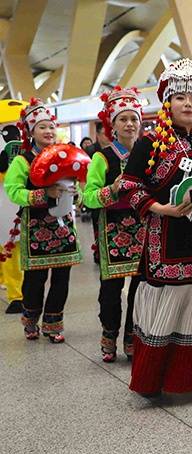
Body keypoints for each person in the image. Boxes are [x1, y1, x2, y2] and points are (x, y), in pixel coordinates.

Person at [117, 58, 192, 403]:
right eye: (182, 97)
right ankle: (158, 377)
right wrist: (159, 208)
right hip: (167, 240)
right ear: (168, 102)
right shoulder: (149, 143)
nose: (189, 104)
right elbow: (129, 187)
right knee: (170, 301)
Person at [4, 99, 82, 343]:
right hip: (36, 227)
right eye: (42, 127)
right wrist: (42, 194)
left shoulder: (65, 154)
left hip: (64, 226)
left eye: (51, 126)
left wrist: (76, 194)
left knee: (62, 278)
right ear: (31, 131)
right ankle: (30, 319)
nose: (48, 132)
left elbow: (77, 182)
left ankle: (52, 323)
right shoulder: (22, 161)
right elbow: (13, 190)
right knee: (34, 281)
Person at [83, 87, 145, 362]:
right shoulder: (101, 157)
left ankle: (133, 336)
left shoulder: (148, 153)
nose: (129, 124)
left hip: (143, 227)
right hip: (112, 230)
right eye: (123, 119)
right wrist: (113, 189)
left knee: (140, 288)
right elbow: (87, 196)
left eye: (134, 118)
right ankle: (109, 333)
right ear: (113, 124)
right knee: (110, 291)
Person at [0, 124, 24, 314]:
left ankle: (17, 295)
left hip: (12, 205)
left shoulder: (24, 146)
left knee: (10, 249)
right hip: (5, 204)